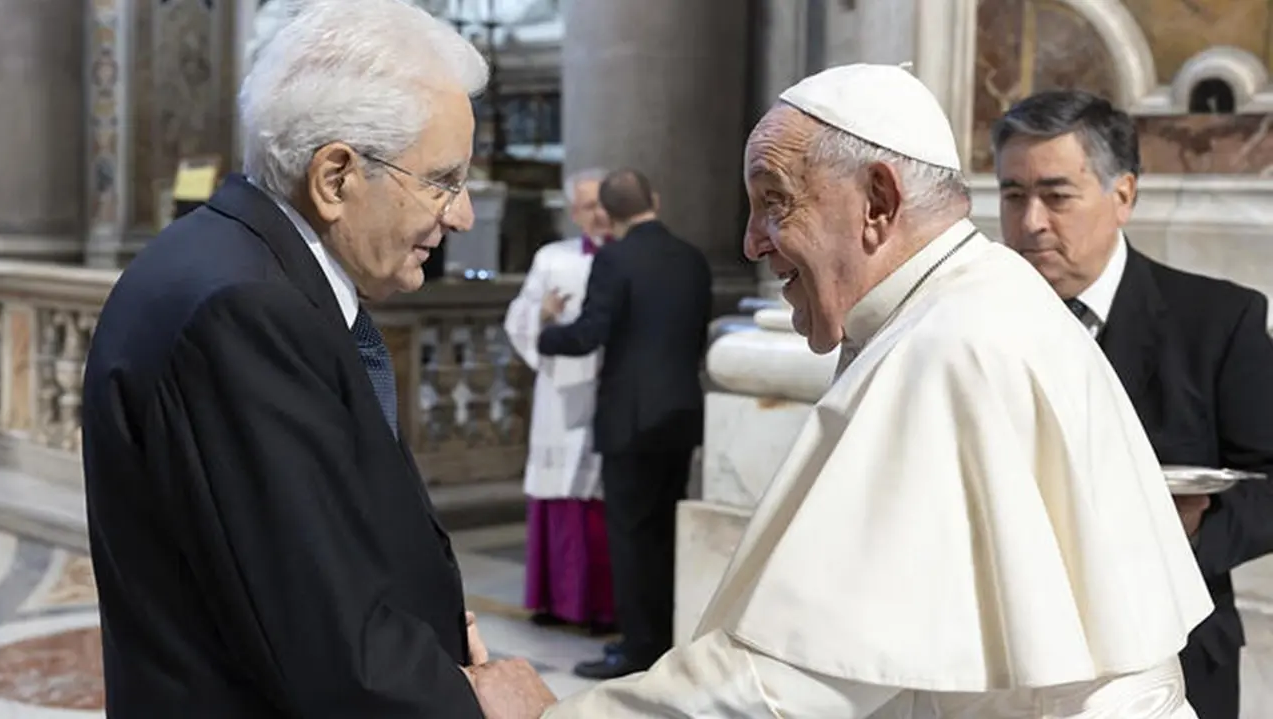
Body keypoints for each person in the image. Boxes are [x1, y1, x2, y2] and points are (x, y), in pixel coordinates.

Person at [481, 63, 1214, 717]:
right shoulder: (966, 300)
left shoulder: (947, 344)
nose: (751, 241)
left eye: (775, 200)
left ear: (877, 202)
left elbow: (787, 682)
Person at [81, 0, 553, 715]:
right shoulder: (244, 310)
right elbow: (325, 645)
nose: (460, 214)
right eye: (442, 180)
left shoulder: (231, 265)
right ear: (336, 177)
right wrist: (479, 702)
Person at [993, 89, 1273, 719]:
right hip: (1003, 667)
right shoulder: (971, 328)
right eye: (1013, 195)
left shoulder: (1220, 320)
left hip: (1168, 657)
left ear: (1123, 195)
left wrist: (1189, 533)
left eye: (1056, 196)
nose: (1031, 221)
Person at [535, 169, 714, 680]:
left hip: (630, 420)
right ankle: (664, 640)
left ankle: (639, 649)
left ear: (608, 217)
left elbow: (590, 333)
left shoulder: (615, 257)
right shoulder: (692, 257)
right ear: (654, 199)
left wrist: (546, 331)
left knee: (633, 538)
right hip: (680, 413)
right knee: (664, 532)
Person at [503, 168, 616, 633]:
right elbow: (518, 318)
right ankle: (554, 600)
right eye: (589, 206)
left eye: (604, 204)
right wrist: (542, 315)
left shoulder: (627, 257)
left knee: (597, 499)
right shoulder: (552, 257)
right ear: (573, 213)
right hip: (558, 390)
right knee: (557, 495)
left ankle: (600, 607)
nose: (599, 214)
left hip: (607, 387)